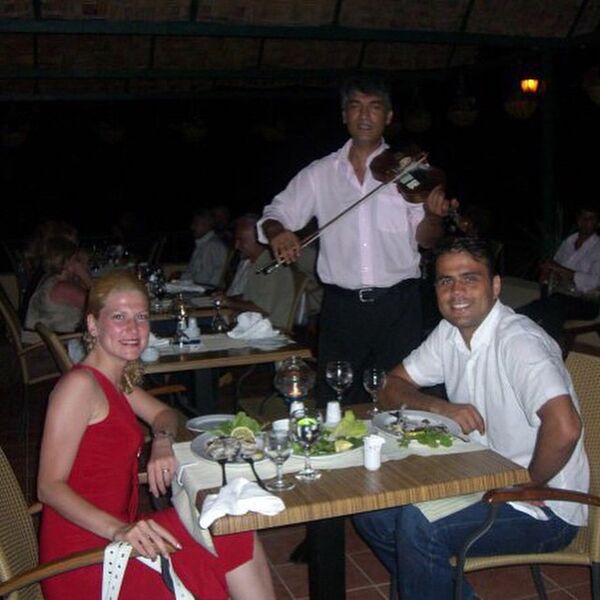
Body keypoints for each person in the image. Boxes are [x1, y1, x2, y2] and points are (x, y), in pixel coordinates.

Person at [352, 237, 589, 600]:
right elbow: (389, 386)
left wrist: (527, 484)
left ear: (495, 286)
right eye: (446, 281)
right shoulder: (449, 334)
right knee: (373, 512)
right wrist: (439, 407)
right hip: (481, 480)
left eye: (469, 278)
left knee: (419, 528)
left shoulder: (518, 341)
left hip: (546, 506)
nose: (456, 291)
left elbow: (565, 426)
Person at [37, 270, 276, 600]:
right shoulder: (79, 386)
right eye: (119, 317)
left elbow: (165, 415)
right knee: (230, 532)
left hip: (118, 532)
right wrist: (119, 529)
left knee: (230, 522)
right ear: (92, 324)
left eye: (141, 317)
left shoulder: (114, 381)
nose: (133, 328)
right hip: (88, 558)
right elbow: (49, 487)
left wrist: (161, 442)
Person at [257, 76, 454, 404]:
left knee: (399, 402)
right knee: (336, 404)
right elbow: (275, 214)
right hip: (342, 309)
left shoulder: (410, 171)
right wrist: (278, 233)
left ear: (388, 116)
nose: (365, 115)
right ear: (344, 115)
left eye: (374, 107)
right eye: (355, 106)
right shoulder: (320, 173)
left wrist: (433, 216)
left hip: (398, 306)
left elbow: (427, 241)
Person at [518, 205, 600, 343]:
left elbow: (594, 282)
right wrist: (546, 272)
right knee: (544, 307)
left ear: (597, 223)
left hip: (587, 302)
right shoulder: (569, 242)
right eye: (583, 217)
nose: (586, 221)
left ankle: (544, 346)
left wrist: (559, 269)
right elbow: (554, 265)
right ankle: (512, 322)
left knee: (552, 306)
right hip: (560, 296)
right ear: (578, 220)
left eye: (591, 218)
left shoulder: (597, 248)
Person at [215, 215, 294, 330]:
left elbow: (263, 308)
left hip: (269, 329)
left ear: (258, 241)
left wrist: (229, 302)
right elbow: (252, 296)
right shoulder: (257, 263)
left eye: (241, 240)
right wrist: (226, 298)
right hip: (252, 325)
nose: (236, 246)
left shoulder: (270, 266)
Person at [23, 236, 91, 342]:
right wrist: (85, 276)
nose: (80, 262)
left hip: (50, 338)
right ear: (68, 263)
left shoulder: (50, 278)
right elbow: (98, 305)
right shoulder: (63, 288)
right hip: (47, 345)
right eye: (76, 259)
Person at [182, 208, 228, 287]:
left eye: (196, 224)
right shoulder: (203, 244)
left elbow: (204, 277)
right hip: (198, 287)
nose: (192, 227)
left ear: (206, 225)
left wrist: (184, 284)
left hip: (205, 290)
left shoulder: (212, 245)